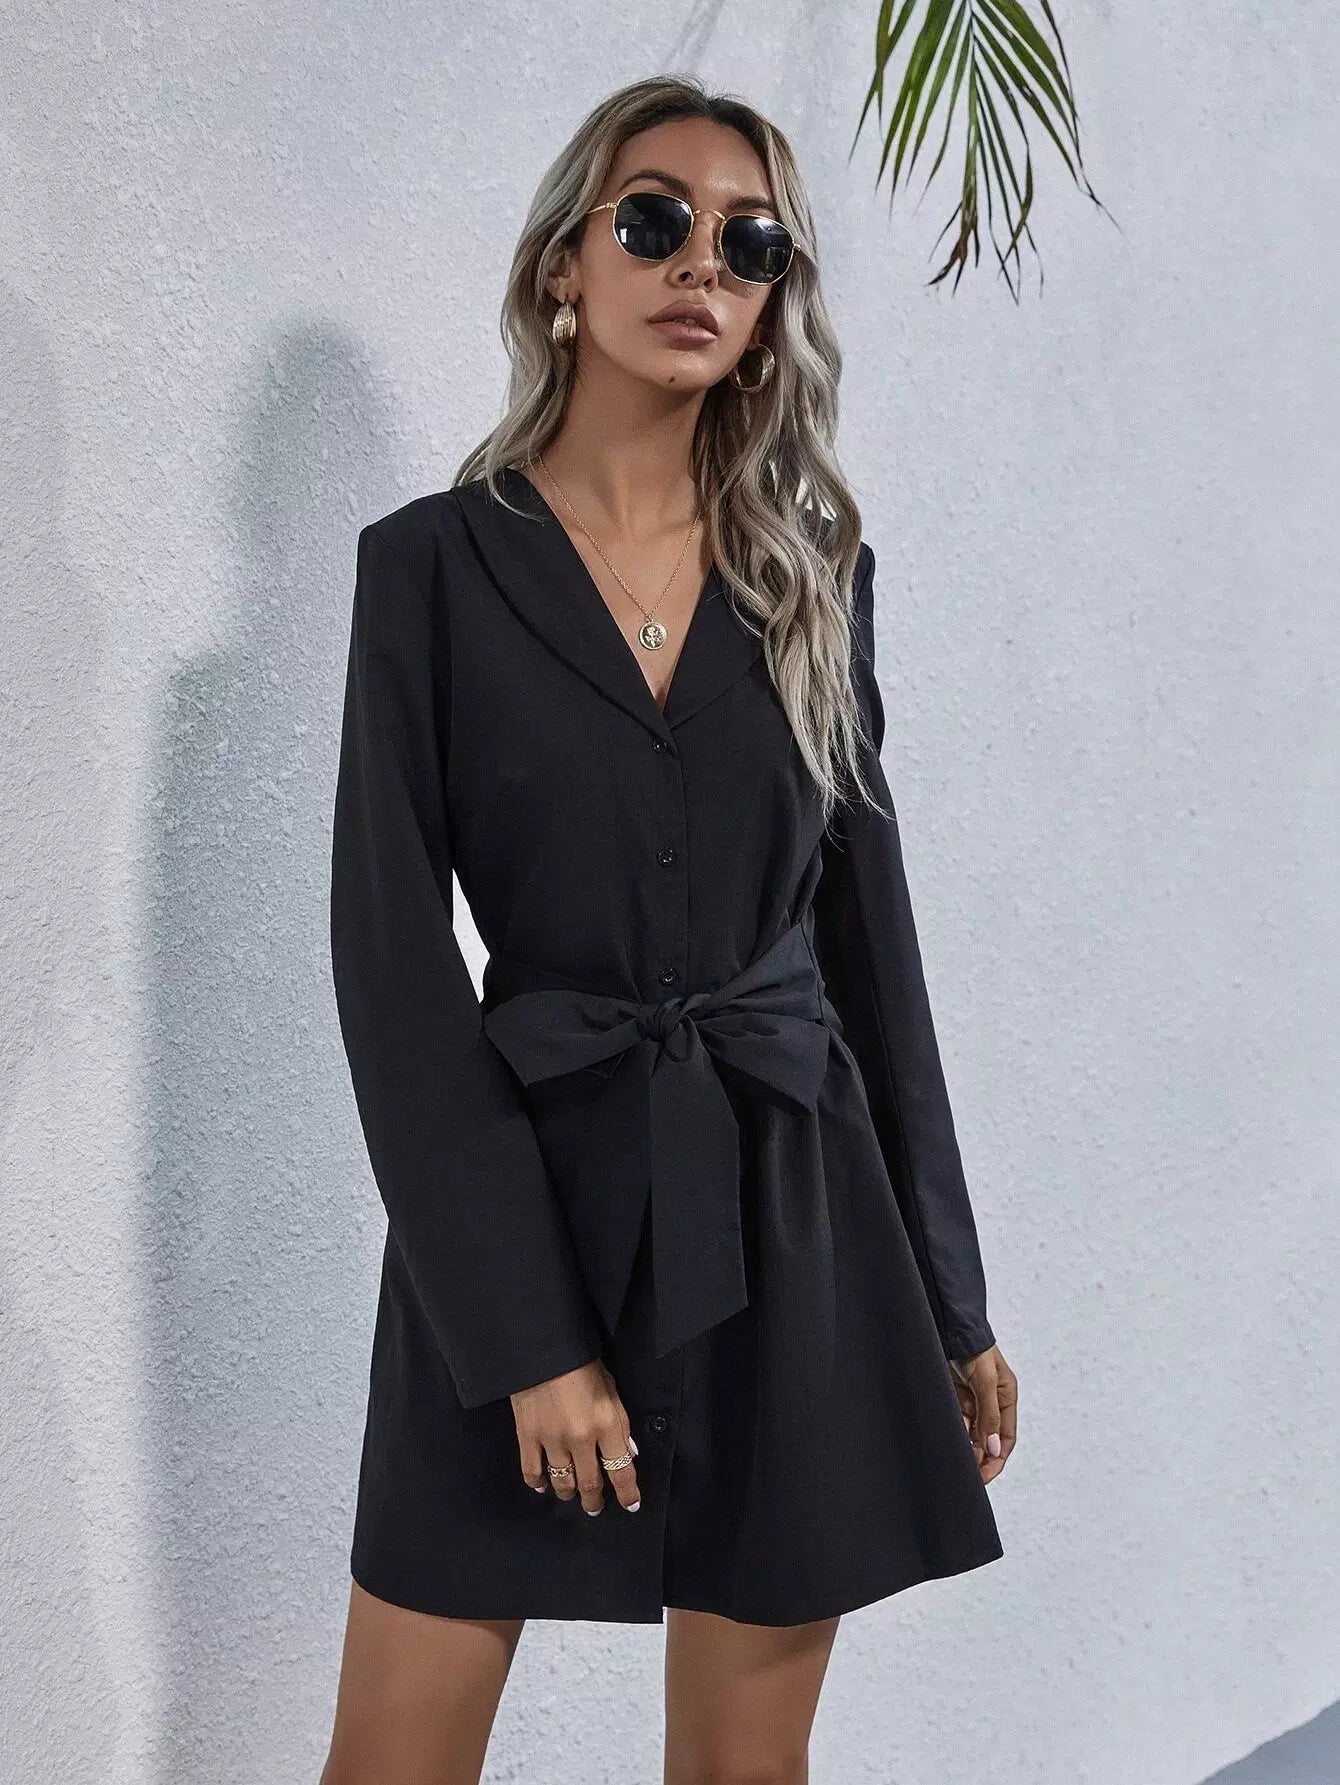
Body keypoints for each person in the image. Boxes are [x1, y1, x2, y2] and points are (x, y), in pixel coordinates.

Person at [321, 72, 1017, 1785]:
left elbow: (872, 955)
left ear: (775, 303)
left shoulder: (813, 575)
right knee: (391, 1760)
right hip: (522, 1214)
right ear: (567, 262)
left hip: (791, 1210)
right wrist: (528, 1338)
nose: (701, 262)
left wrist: (951, 1298)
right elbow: (392, 966)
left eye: (749, 242)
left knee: (742, 1772)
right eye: (654, 220)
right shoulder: (428, 573)